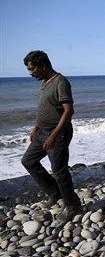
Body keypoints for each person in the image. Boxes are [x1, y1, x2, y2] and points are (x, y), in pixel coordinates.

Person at [21, 50, 83, 222]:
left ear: (43, 65)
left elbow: (68, 111)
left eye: (32, 69)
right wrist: (36, 127)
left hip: (58, 133)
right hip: (42, 132)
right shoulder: (44, 82)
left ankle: (73, 206)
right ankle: (55, 193)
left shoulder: (61, 82)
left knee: (59, 171)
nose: (31, 73)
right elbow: (46, 108)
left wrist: (54, 135)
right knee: (28, 161)